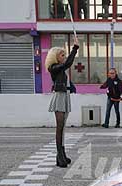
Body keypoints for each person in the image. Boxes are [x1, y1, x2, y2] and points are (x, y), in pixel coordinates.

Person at [45, 37, 80, 168]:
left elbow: (66, 67)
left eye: (65, 55)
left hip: (64, 96)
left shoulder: (60, 69)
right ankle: (60, 156)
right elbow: (67, 64)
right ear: (55, 57)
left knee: (63, 127)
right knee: (59, 127)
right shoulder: (53, 67)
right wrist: (75, 48)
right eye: (62, 55)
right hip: (59, 97)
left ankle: (62, 156)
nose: (64, 57)